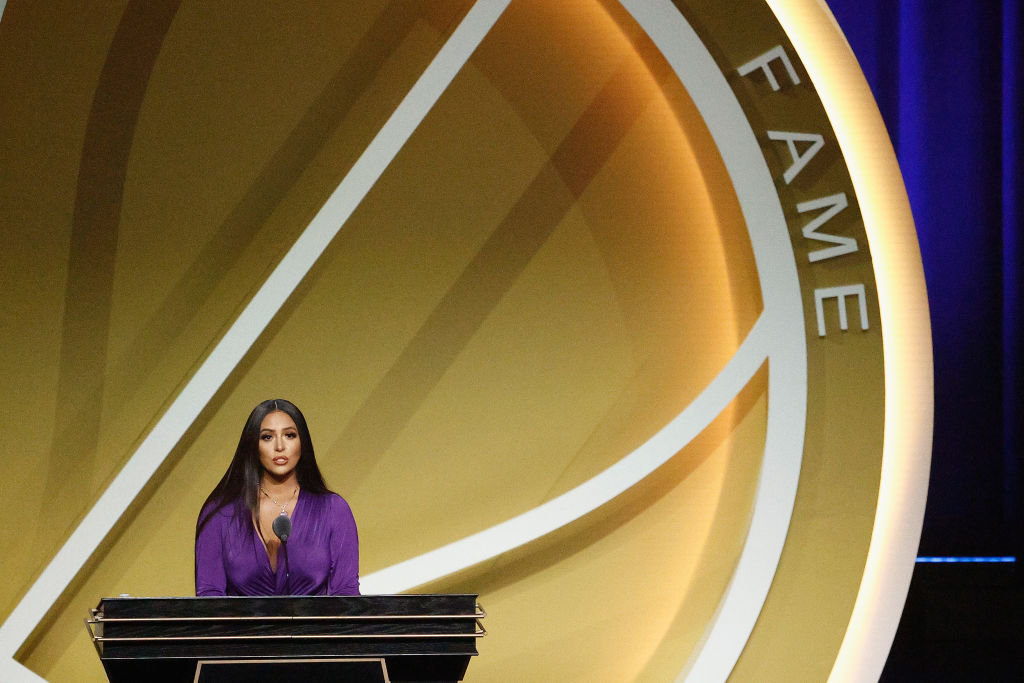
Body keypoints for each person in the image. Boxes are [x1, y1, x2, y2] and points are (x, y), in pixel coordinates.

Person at [195, 398, 359, 596]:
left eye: (289, 435)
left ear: (302, 442)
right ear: (253, 445)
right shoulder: (220, 514)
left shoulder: (333, 510)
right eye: (267, 437)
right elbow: (209, 596)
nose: (280, 446)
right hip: (240, 619)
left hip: (314, 619)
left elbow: (346, 594)